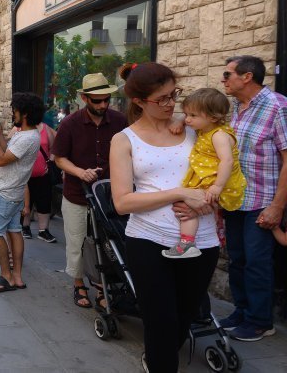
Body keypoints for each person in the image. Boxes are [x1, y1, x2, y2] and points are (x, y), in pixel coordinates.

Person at [110, 62, 219, 371]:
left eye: (174, 95)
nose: (171, 104)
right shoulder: (124, 140)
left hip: (202, 239)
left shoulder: (196, 129)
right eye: (162, 99)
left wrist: (211, 201)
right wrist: (179, 193)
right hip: (148, 239)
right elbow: (122, 202)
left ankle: (159, 357)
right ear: (139, 101)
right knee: (160, 319)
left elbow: (227, 174)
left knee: (184, 317)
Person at [218, 55, 287, 341]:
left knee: (257, 263)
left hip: (262, 201)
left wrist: (277, 206)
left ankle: (260, 321)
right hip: (235, 200)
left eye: (227, 74)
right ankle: (242, 311)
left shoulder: (277, 107)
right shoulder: (236, 107)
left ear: (247, 77)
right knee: (237, 259)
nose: (223, 80)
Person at [52, 72, 127, 309]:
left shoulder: (119, 121)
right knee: (76, 242)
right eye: (97, 101)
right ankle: (78, 284)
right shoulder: (70, 123)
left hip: (110, 196)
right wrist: (79, 172)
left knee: (108, 243)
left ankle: (102, 286)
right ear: (85, 98)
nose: (103, 105)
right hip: (76, 194)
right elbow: (59, 158)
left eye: (106, 100)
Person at [166, 88, 246, 258]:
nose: (188, 119)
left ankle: (187, 244)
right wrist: (181, 120)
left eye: (192, 116)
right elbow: (188, 117)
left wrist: (217, 187)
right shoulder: (206, 128)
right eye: (186, 114)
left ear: (213, 117)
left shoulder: (219, 135)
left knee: (186, 206)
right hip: (211, 180)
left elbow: (227, 161)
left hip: (219, 182)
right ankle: (189, 242)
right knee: (187, 204)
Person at [0, 93, 45, 293]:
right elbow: (7, 151)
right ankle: (17, 276)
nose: (13, 113)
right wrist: (0, 133)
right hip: (16, 192)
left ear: (24, 113)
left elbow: (1, 159)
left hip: (5, 192)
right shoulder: (27, 134)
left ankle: (6, 276)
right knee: (14, 231)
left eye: (15, 110)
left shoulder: (26, 138)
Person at [20, 120, 57, 242]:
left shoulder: (46, 129)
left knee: (44, 202)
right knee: (25, 202)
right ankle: (25, 227)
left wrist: (50, 162)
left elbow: (54, 147)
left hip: (43, 174)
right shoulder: (19, 128)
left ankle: (43, 231)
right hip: (25, 175)